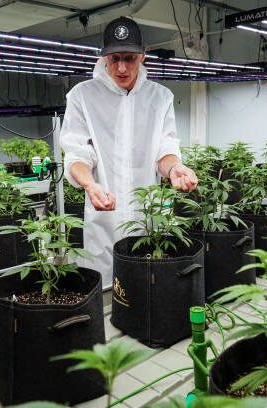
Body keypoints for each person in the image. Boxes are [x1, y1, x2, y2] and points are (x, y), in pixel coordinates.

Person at [60, 16, 198, 288]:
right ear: (103, 58)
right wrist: (90, 184)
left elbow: (165, 150)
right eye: (114, 58)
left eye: (130, 58)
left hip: (147, 216)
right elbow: (77, 154)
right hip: (103, 217)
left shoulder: (160, 97)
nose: (122, 67)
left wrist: (175, 168)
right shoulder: (82, 96)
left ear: (142, 57)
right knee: (107, 291)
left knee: (147, 288)